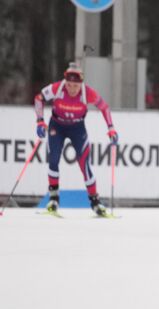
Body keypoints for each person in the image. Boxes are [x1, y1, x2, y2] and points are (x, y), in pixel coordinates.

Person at [34, 62, 119, 217]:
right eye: (70, 85)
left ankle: (95, 202)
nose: (72, 89)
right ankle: (53, 200)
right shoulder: (58, 88)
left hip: (77, 129)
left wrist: (111, 128)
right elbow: (39, 98)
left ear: (81, 84)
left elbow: (104, 107)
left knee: (84, 164)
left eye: (76, 86)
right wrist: (40, 120)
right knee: (53, 159)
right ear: (65, 82)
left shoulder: (88, 93)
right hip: (57, 126)